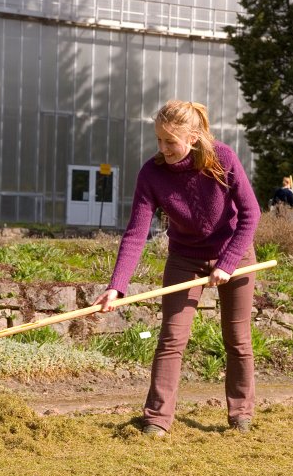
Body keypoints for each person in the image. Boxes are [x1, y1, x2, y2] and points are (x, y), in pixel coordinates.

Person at [93, 100, 261, 437]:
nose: (163, 149)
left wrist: (227, 263)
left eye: (170, 141)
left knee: (237, 338)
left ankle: (241, 414)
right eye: (158, 140)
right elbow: (136, 233)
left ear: (194, 137)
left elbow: (251, 214)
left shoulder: (223, 158)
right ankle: (156, 419)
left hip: (235, 254)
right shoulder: (152, 173)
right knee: (171, 338)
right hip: (185, 259)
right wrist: (117, 285)